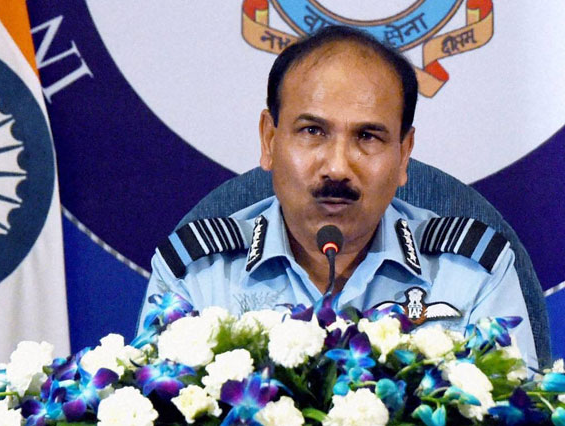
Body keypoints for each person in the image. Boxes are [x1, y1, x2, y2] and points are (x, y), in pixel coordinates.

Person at [138, 25, 537, 368]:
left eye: (367, 136)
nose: (337, 167)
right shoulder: (197, 274)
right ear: (269, 139)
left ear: (404, 154)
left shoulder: (472, 273)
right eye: (313, 131)